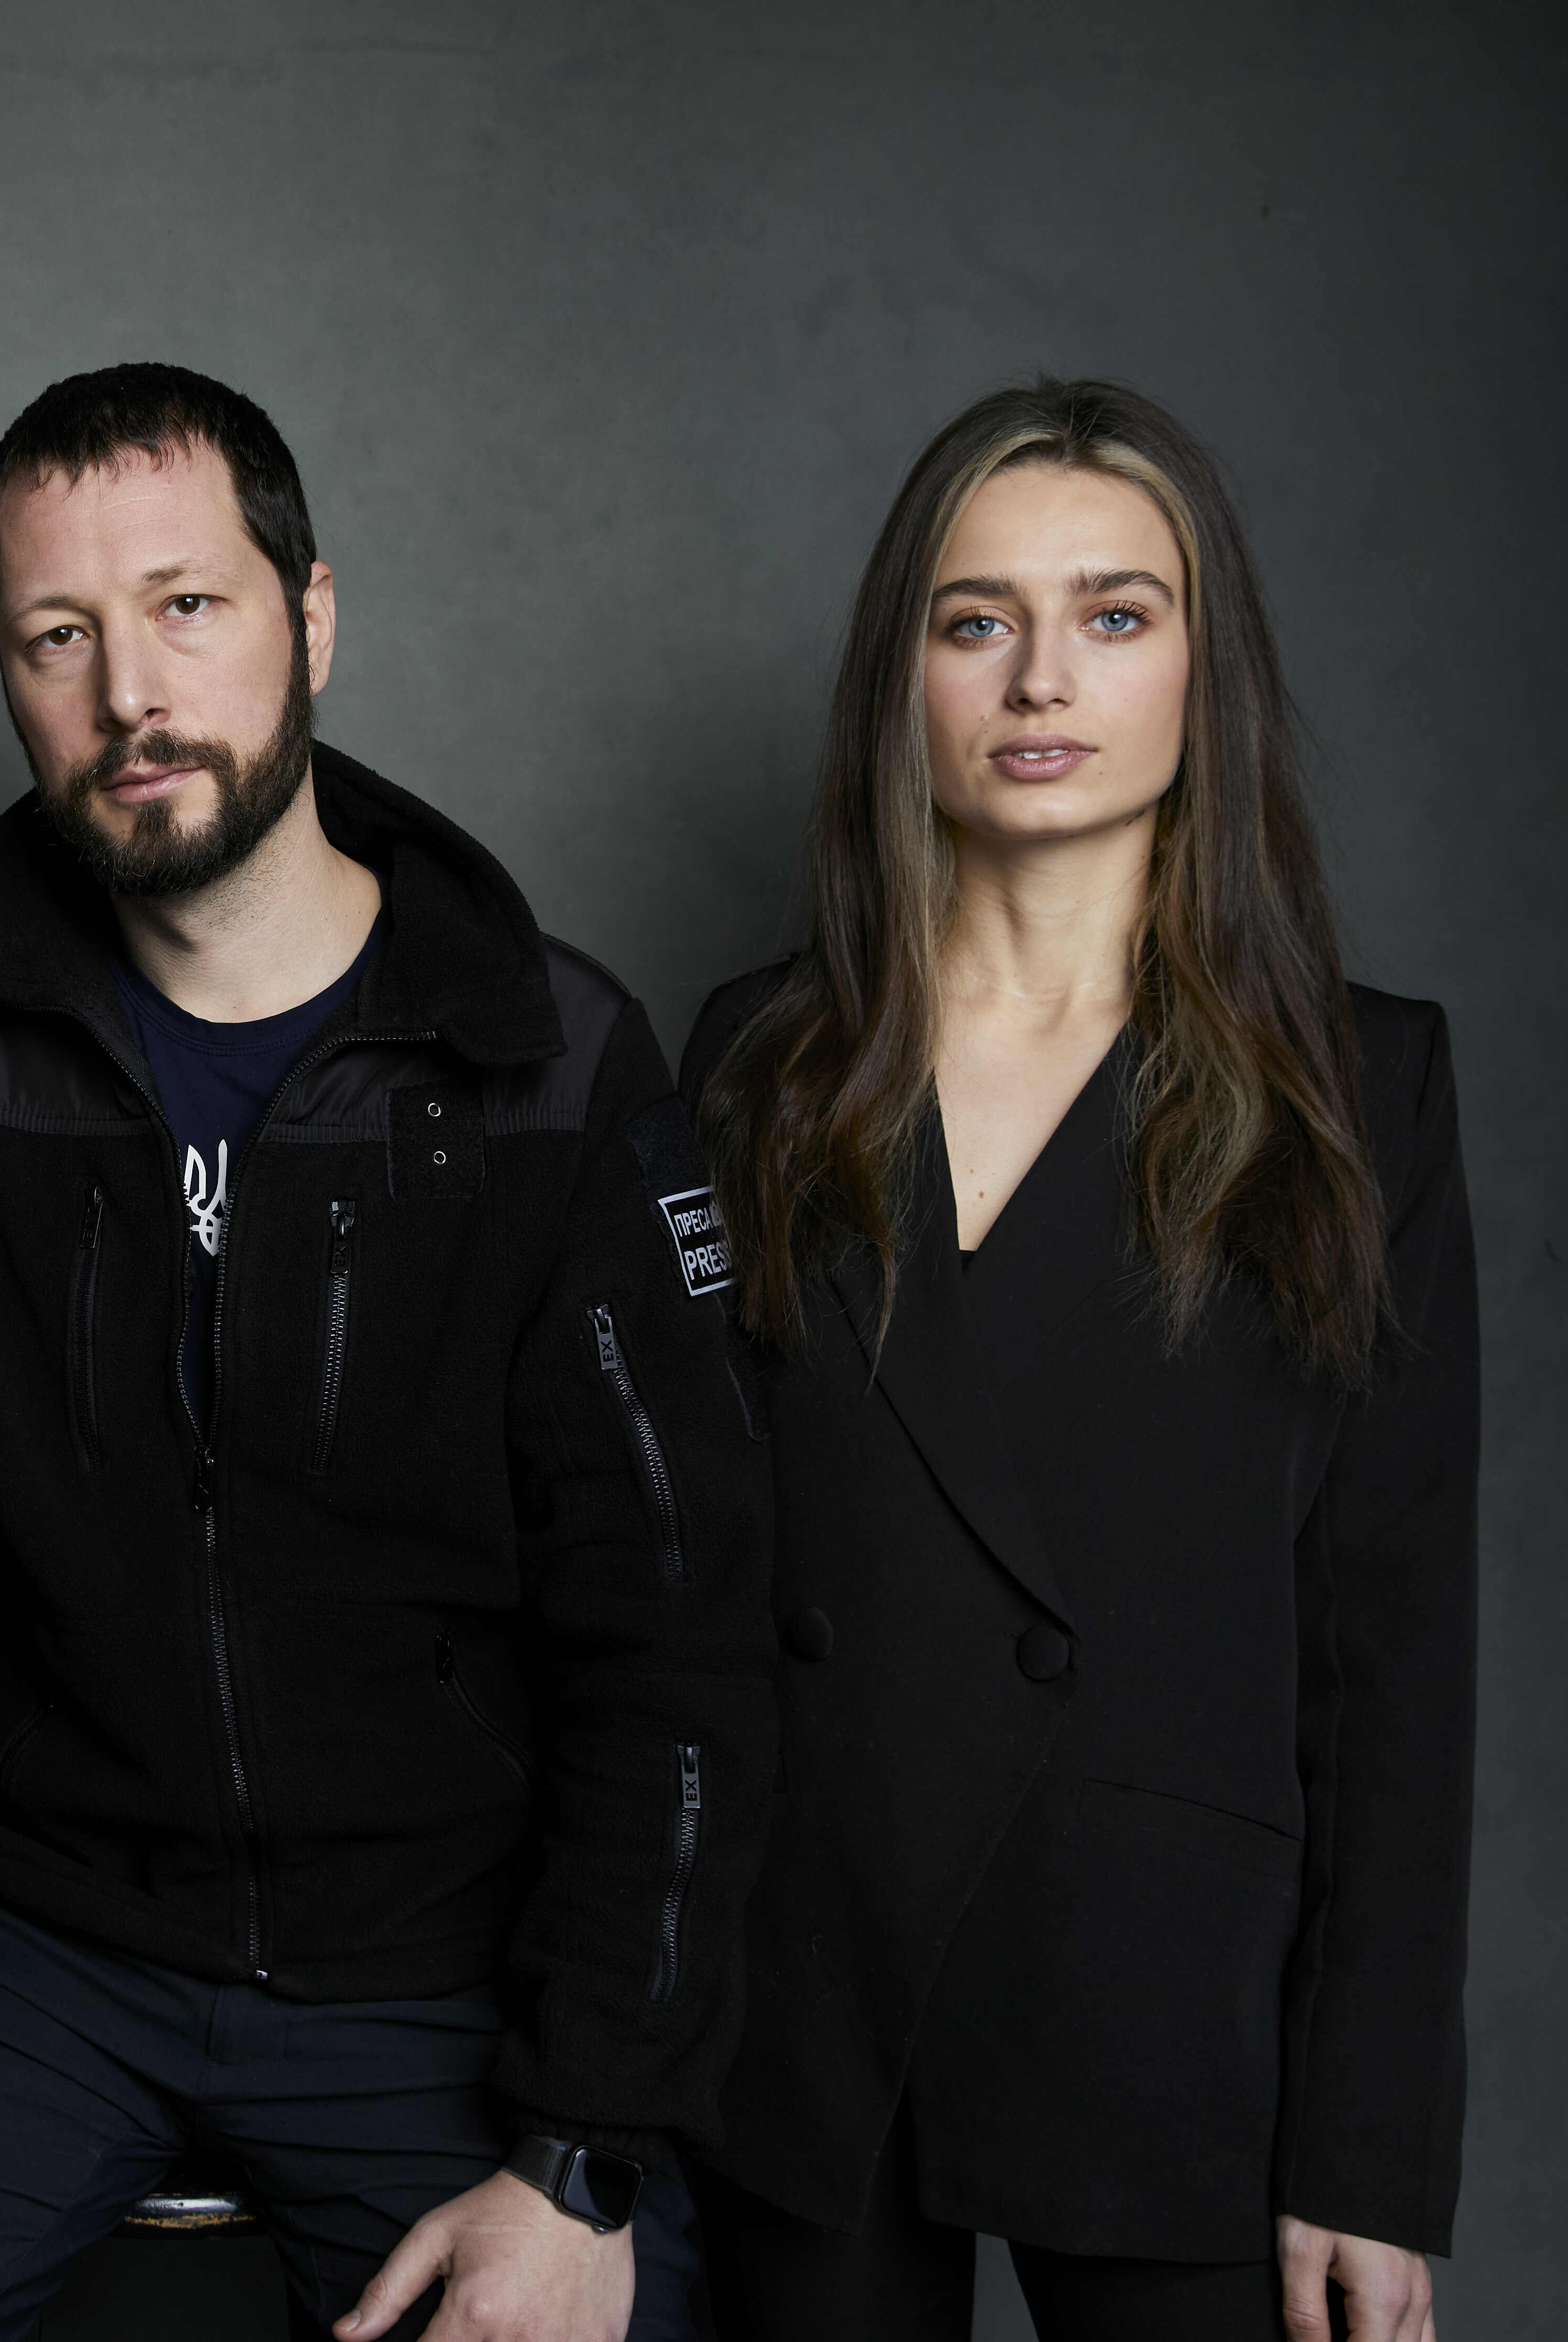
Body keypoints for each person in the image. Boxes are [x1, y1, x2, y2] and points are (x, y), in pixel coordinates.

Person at [0, 364, 777, 2342]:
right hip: (26, 1937)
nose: (130, 696)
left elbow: (679, 1631)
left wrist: (585, 2147)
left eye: (188, 607)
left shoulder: (556, 1070)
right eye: (56, 637)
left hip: (445, 1964)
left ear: (310, 619)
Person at [677, 379, 1472, 2342]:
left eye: (1116, 614)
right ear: (906, 676)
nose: (1043, 678)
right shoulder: (758, 1062)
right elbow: (674, 1588)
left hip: (1167, 2005)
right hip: (807, 2010)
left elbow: (1392, 1655)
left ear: (1208, 667)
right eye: (979, 620)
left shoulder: (1360, 1086)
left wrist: (1366, 2152)